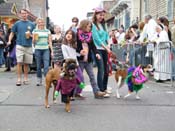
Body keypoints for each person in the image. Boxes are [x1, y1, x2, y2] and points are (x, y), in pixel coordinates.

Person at [76, 19, 106, 98]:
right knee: (80, 77)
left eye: (91, 26)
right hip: (80, 60)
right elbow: (74, 46)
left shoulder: (90, 35)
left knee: (92, 76)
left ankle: (96, 92)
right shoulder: (77, 35)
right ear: (84, 25)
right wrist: (80, 51)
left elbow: (93, 46)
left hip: (88, 60)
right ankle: (77, 92)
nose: (90, 28)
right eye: (89, 26)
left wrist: (96, 53)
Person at [7, 9, 35, 86]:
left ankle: (25, 78)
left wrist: (31, 35)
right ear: (20, 14)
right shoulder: (17, 23)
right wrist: (9, 40)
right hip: (19, 45)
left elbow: (35, 37)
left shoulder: (32, 24)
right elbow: (12, 33)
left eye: (25, 13)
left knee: (26, 64)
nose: (24, 15)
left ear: (27, 14)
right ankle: (19, 79)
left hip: (28, 46)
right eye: (22, 13)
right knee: (19, 63)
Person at [91, 7, 112, 97]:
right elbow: (97, 39)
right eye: (100, 15)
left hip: (105, 49)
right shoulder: (93, 25)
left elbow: (107, 35)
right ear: (95, 15)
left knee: (106, 70)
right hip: (98, 49)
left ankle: (105, 88)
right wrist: (106, 47)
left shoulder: (104, 25)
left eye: (103, 15)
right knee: (101, 69)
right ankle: (100, 90)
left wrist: (109, 44)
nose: (101, 17)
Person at [61, 29, 84, 99]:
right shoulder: (63, 45)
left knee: (81, 79)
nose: (68, 35)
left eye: (70, 34)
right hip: (69, 65)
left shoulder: (74, 45)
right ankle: (70, 95)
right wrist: (72, 63)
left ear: (73, 36)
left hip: (76, 64)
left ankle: (78, 92)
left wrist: (80, 54)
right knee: (69, 81)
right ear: (65, 35)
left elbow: (74, 54)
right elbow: (66, 57)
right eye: (67, 33)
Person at [32, 18, 53, 86]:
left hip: (46, 49)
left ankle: (46, 80)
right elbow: (33, 42)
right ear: (37, 23)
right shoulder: (35, 31)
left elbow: (50, 41)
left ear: (44, 23)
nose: (41, 23)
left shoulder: (47, 31)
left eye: (42, 22)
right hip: (38, 49)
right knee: (38, 66)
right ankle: (39, 80)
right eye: (39, 22)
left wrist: (52, 50)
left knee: (46, 66)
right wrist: (34, 39)